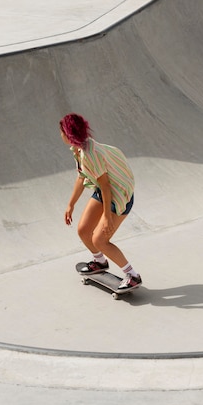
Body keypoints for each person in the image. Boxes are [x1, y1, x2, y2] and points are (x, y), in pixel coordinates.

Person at [60, 113, 142, 290]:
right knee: (83, 230)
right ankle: (100, 262)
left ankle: (133, 275)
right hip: (104, 189)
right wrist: (70, 204)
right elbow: (81, 177)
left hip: (119, 195)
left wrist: (107, 217)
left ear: (67, 135)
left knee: (99, 240)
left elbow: (105, 186)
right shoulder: (78, 149)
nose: (60, 135)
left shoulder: (91, 154)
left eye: (61, 132)